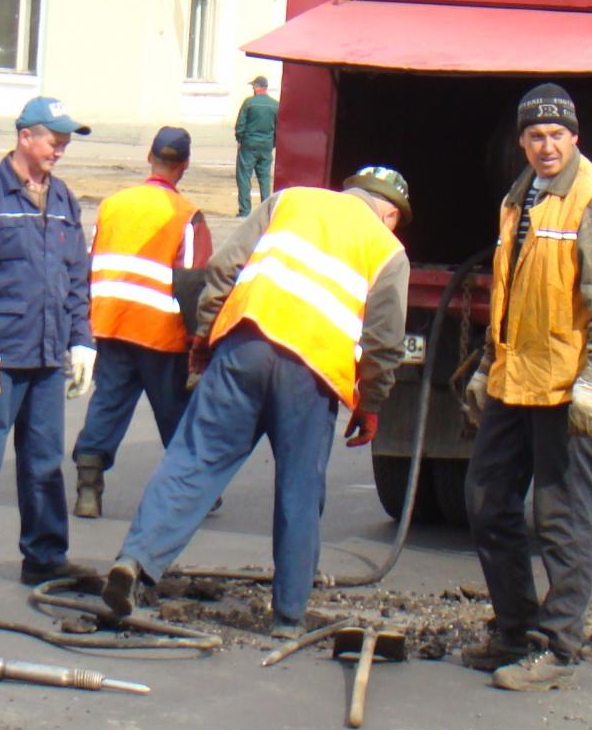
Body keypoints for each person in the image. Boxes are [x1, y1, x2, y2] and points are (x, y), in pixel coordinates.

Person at [101, 167, 413, 636]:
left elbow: (225, 268)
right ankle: (289, 615)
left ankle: (136, 562)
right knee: (300, 489)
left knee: (193, 461)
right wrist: (370, 403)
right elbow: (384, 342)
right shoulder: (388, 250)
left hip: (243, 348)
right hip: (311, 374)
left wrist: (205, 336)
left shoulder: (289, 201)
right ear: (389, 212)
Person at [460, 84, 592, 691]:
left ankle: (557, 646)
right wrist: (488, 364)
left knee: (560, 518)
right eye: (535, 136)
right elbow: (510, 293)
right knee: (486, 503)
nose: (546, 146)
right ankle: (514, 630)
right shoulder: (519, 199)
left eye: (557, 135)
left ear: (575, 137)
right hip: (515, 378)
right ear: (522, 142)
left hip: (564, 385)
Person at [0, 96, 99, 595]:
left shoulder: (64, 200)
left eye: (66, 141)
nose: (61, 150)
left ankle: (45, 557)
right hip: (1, 354)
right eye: (55, 140)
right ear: (25, 136)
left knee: (44, 459)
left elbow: (77, 276)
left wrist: (82, 340)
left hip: (49, 355)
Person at [70, 126, 212, 518]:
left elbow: (92, 261)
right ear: (183, 166)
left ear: (149, 158)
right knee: (176, 413)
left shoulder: (114, 204)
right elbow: (193, 282)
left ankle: (88, 488)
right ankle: (195, 490)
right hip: (161, 333)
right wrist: (199, 342)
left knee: (108, 404)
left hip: (112, 323)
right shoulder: (186, 215)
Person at [234, 75, 278, 217]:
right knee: (264, 177)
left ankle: (245, 211)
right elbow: (279, 128)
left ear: (258, 87)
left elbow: (240, 125)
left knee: (244, 177)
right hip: (266, 145)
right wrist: (272, 143)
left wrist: (240, 140)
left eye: (254, 86)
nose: (253, 88)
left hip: (249, 144)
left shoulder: (249, 103)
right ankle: (266, 211)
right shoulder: (275, 105)